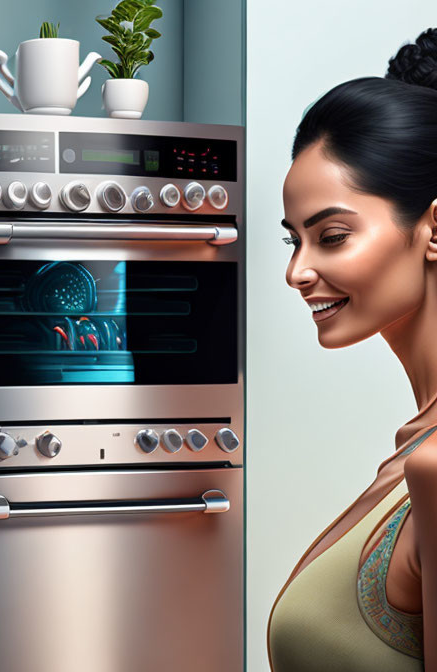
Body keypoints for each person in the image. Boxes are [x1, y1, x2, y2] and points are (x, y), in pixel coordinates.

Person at [267, 28, 437, 671]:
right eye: (294, 241)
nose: (298, 272)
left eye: (332, 236)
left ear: (432, 228)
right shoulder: (417, 447)